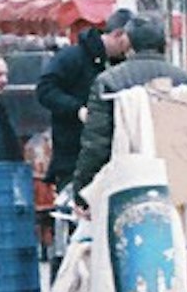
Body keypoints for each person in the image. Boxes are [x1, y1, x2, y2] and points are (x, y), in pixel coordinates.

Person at [67, 33, 187, 195]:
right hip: (181, 183)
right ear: (165, 45)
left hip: (127, 182)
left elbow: (97, 143)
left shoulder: (108, 82)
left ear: (128, 44)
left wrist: (83, 188)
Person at [31, 15, 124, 190]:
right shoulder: (72, 56)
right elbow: (45, 90)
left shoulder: (119, 64)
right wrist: (77, 109)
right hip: (73, 154)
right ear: (118, 34)